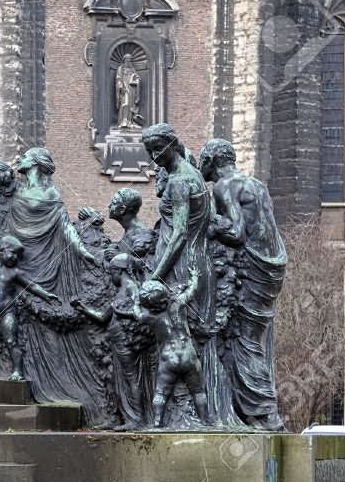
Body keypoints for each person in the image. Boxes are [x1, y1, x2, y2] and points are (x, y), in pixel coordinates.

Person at [2, 147, 110, 425]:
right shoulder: (14, 194)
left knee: (47, 327)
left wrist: (85, 253)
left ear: (36, 163)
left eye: (25, 156)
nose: (19, 159)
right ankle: (23, 371)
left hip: (47, 266)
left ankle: (55, 378)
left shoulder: (52, 196)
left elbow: (66, 229)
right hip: (20, 264)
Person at [143, 122, 236, 427]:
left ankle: (185, 416)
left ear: (173, 144)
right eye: (150, 151)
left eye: (159, 149)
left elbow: (179, 233)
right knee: (194, 339)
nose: (155, 156)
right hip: (196, 262)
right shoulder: (193, 174)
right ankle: (205, 413)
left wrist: (156, 275)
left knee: (188, 335)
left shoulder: (180, 181)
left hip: (181, 263)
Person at [200, 138, 286, 430]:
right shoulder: (257, 185)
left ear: (212, 160)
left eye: (203, 160)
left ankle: (264, 412)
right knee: (254, 337)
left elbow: (237, 233)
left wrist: (207, 227)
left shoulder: (224, 187)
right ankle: (257, 409)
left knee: (243, 339)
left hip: (254, 266)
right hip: (272, 263)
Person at [72, 252, 154, 429]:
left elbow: (139, 313)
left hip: (127, 342)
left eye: (112, 272)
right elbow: (103, 318)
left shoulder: (132, 288)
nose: (111, 277)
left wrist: (122, 314)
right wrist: (82, 308)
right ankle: (121, 417)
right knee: (118, 380)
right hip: (117, 342)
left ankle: (137, 419)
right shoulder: (121, 292)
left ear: (121, 271)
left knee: (131, 379)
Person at [134, 269, 211, 428]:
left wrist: (135, 301)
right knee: (198, 391)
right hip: (188, 356)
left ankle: (157, 422)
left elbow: (137, 315)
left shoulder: (151, 318)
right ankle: (205, 421)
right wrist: (195, 277)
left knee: (161, 392)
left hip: (168, 359)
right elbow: (191, 291)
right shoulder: (177, 306)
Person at [0, 235, 61, 380]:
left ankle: (18, 371)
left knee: (11, 341)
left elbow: (32, 285)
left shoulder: (14, 273)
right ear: (2, 251)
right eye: (13, 253)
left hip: (7, 313)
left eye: (18, 255)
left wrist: (46, 295)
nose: (15, 258)